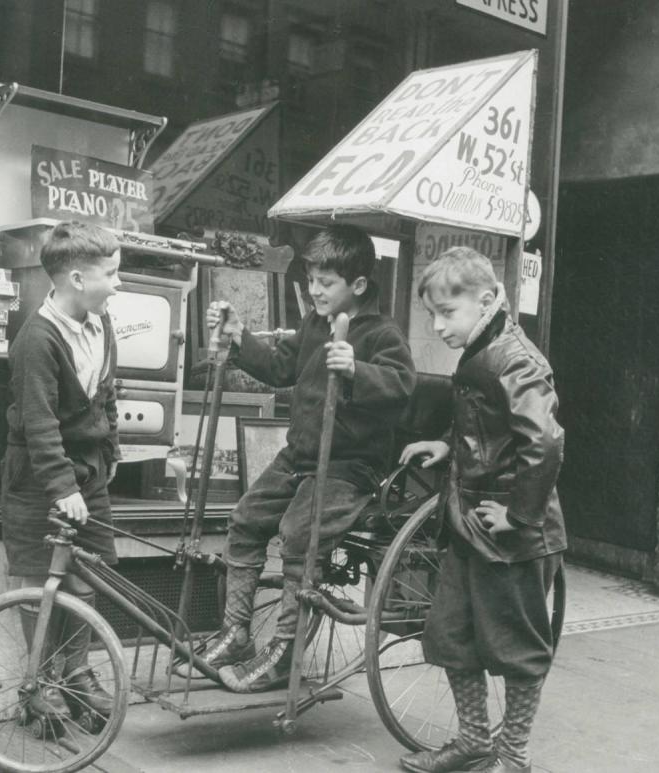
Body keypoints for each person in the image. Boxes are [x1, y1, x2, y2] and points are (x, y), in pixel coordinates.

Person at [193, 224, 416, 693]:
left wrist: (357, 368)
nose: (314, 290)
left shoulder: (382, 332)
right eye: (311, 279)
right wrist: (238, 337)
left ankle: (285, 651)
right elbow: (280, 366)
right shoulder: (317, 323)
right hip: (300, 456)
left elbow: (402, 388)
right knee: (245, 519)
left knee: (298, 536)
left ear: (357, 285)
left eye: (325, 282)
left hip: (349, 467)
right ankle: (237, 633)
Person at [398, 247, 566, 773]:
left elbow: (546, 442)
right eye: (432, 314)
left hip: (511, 534)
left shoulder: (515, 357)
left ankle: (513, 756)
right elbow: (491, 427)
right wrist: (449, 445)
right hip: (467, 523)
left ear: (487, 300)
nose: (438, 324)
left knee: (517, 652)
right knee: (452, 637)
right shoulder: (482, 350)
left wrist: (519, 516)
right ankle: (473, 741)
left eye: (447, 312)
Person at [1, 220, 123, 725]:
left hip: (88, 476)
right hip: (39, 478)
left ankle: (76, 673)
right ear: (76, 278)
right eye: (112, 274)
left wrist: (110, 454)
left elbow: (109, 396)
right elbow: (39, 423)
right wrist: (62, 489)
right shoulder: (37, 339)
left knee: (88, 577)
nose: (119, 283)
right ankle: (41, 684)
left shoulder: (102, 323)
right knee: (41, 580)